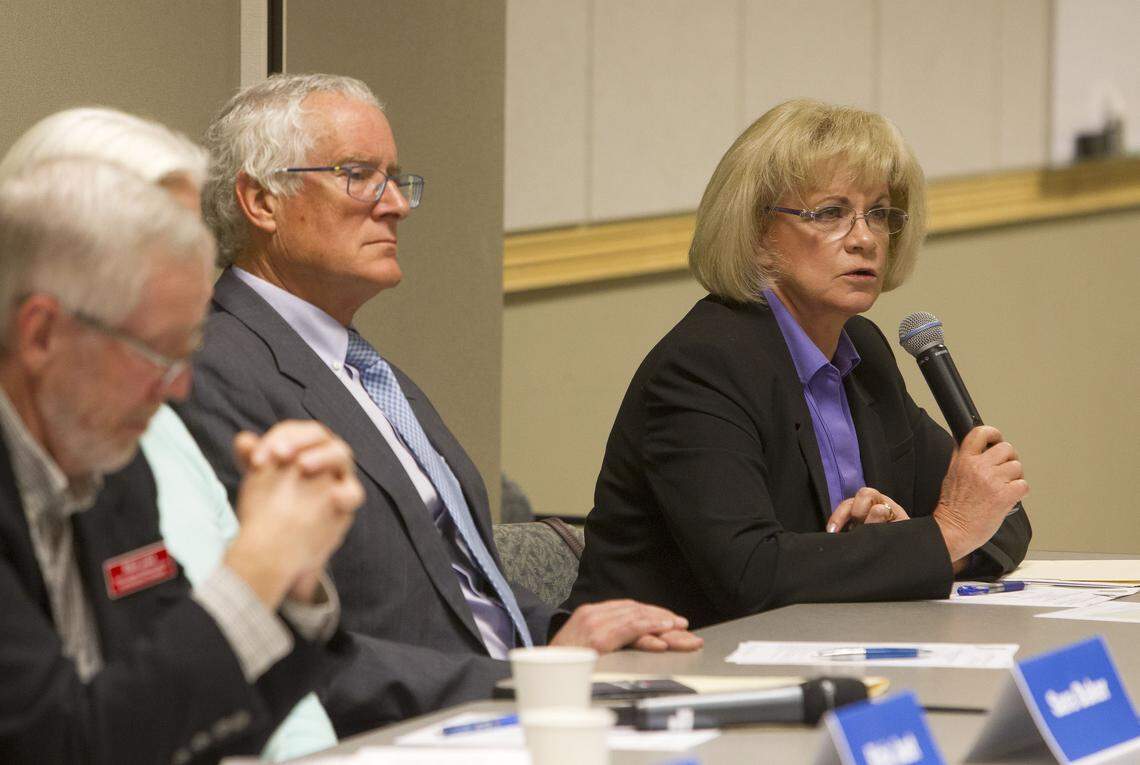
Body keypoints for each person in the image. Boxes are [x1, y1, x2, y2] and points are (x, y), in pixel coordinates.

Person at [175, 72, 702, 736]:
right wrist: (528, 678)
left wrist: (570, 632)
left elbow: (459, 589)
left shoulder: (364, 368)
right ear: (260, 200)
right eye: (359, 175)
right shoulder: (217, 372)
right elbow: (287, 648)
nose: (396, 203)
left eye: (395, 178)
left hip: (507, 709)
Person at [566, 99, 1032, 629]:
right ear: (757, 232)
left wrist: (915, 545)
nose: (864, 238)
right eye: (830, 213)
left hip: (814, 648)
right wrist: (942, 536)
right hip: (654, 670)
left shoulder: (863, 350)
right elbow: (751, 575)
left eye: (879, 213)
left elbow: (1003, 520)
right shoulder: (705, 366)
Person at [0, 106, 338, 760]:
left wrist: (291, 590)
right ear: (41, 333)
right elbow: (63, 745)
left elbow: (176, 710)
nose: (179, 388)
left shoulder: (112, 462)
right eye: (157, 353)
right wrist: (250, 575)